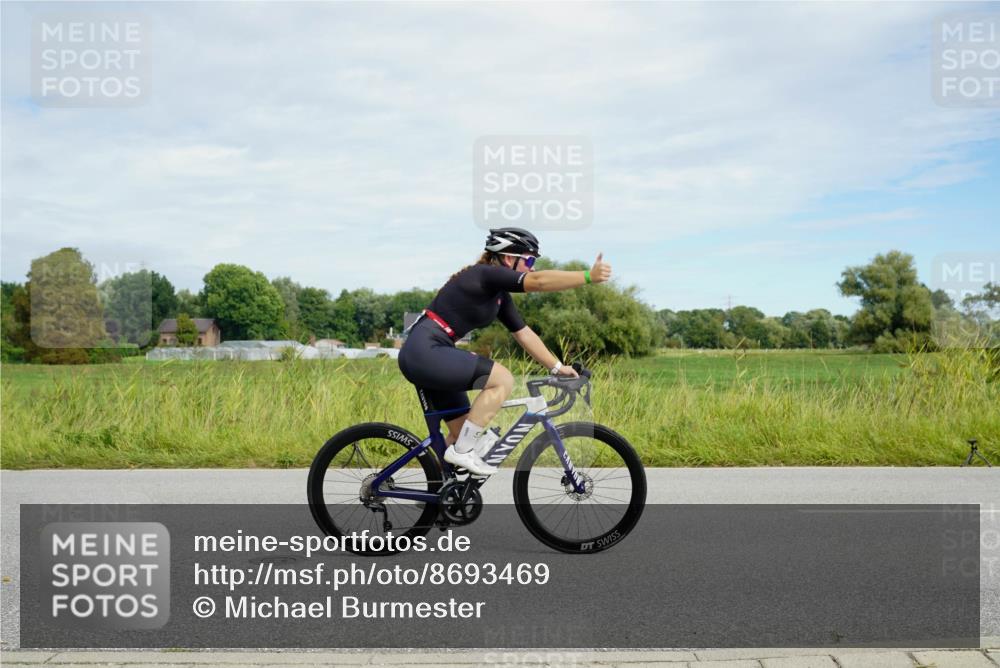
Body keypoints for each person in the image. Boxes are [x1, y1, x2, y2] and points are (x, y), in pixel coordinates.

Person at [397, 227, 612, 476]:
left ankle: (438, 495)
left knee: (463, 434)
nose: (531, 268)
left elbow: (524, 333)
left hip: (433, 353)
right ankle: (462, 453)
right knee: (502, 379)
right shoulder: (484, 275)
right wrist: (588, 276)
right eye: (529, 261)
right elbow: (539, 282)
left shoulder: (498, 296)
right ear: (509, 258)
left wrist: (557, 367)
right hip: (425, 351)